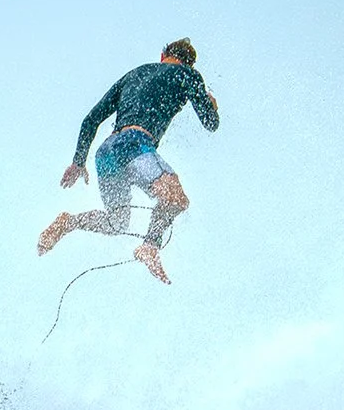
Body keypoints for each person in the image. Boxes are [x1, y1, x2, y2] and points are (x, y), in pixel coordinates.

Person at [38, 38, 219, 284]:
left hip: (107, 152)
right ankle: (149, 246)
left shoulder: (134, 74)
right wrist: (212, 106)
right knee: (176, 198)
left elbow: (91, 120)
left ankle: (69, 222)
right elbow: (210, 123)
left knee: (116, 222)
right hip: (135, 145)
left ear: (163, 55)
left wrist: (78, 162)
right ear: (189, 63)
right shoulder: (188, 75)